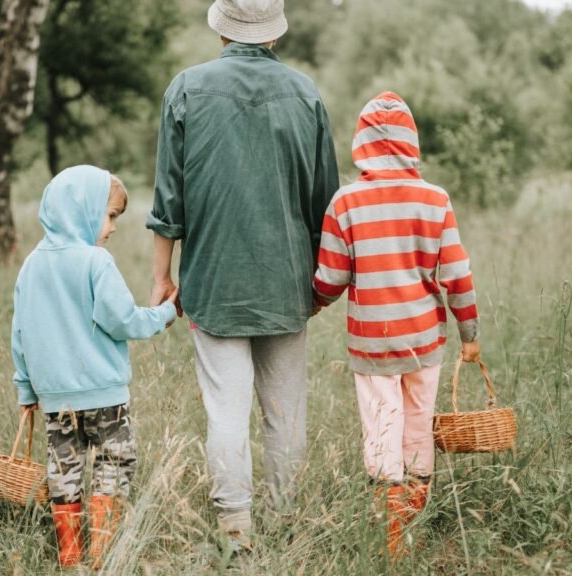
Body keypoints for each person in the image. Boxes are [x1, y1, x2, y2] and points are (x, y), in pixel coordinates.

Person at [146, 0, 339, 551]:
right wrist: (321, 281)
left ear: (223, 28)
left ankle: (237, 532)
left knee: (225, 411)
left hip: (213, 282)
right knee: (285, 413)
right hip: (288, 281)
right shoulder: (306, 93)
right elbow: (327, 203)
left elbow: (168, 200)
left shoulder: (186, 88)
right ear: (273, 32)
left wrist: (163, 278)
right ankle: (284, 523)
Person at [312, 92, 481, 559]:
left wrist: (312, 304)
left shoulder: (345, 202)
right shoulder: (435, 199)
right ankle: (414, 529)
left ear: (361, 141)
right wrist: (470, 336)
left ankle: (392, 543)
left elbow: (331, 277)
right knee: (418, 427)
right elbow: (457, 276)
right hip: (425, 340)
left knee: (381, 429)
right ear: (411, 141)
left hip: (372, 344)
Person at [11, 166, 178, 568]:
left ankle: (71, 555)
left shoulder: (31, 266)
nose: (113, 227)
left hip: (54, 400)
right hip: (105, 396)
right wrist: (165, 313)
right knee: (114, 464)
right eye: (110, 215)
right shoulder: (95, 262)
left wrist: (27, 390)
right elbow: (123, 321)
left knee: (63, 471)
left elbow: (20, 332)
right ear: (82, 209)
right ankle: (103, 550)